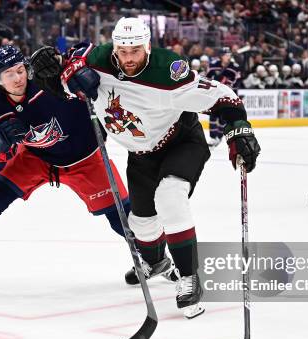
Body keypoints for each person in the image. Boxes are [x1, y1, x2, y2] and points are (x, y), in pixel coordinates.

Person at [39, 17, 260, 318]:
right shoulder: (101, 59)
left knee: (170, 198)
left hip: (181, 141)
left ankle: (189, 278)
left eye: (136, 51)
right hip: (140, 154)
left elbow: (221, 94)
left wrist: (239, 127)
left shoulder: (168, 71)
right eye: (123, 51)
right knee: (141, 222)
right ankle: (156, 262)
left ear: (148, 47)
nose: (128, 58)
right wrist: (57, 72)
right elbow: (70, 64)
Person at [0, 45, 176, 294]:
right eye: (9, 74)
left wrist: (78, 67)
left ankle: (159, 259)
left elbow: (89, 52)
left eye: (20, 70)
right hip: (35, 158)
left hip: (85, 157)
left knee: (122, 215)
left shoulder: (50, 80)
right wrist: (0, 146)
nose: (17, 78)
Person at [205, 48, 242, 147]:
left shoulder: (234, 67)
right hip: (214, 95)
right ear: (221, 56)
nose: (228, 57)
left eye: (229, 55)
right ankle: (213, 137)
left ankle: (219, 136)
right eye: (226, 55)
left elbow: (237, 81)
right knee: (213, 115)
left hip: (227, 96)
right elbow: (206, 78)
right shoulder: (213, 65)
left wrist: (228, 83)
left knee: (223, 118)